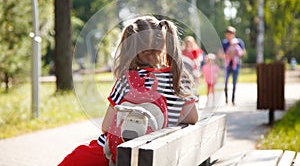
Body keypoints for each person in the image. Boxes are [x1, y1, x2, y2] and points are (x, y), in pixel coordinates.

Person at [58, 16, 199, 165]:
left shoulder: (128, 80)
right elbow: (193, 118)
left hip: (118, 154)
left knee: (74, 159)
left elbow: (106, 127)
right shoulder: (179, 79)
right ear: (163, 43)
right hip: (156, 155)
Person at [221, 26, 246, 105]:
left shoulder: (239, 42)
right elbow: (220, 54)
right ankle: (226, 98)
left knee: (234, 82)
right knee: (225, 82)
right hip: (227, 65)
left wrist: (236, 53)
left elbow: (243, 52)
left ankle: (233, 99)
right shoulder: (224, 43)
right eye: (228, 34)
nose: (229, 35)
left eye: (231, 34)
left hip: (236, 64)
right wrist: (228, 55)